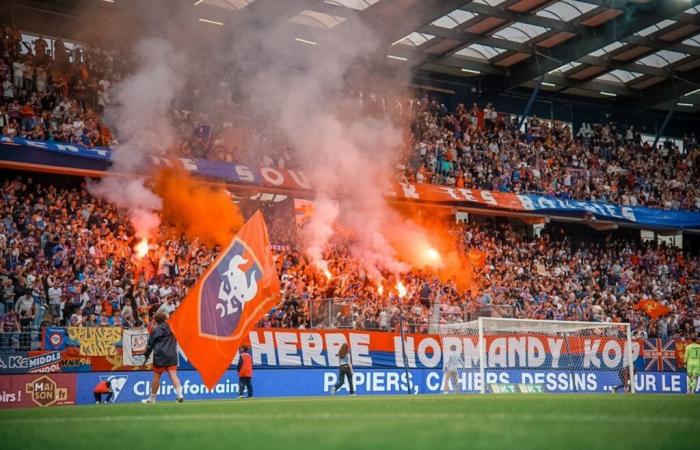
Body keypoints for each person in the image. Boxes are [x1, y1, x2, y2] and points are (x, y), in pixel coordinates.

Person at [141, 312, 184, 404]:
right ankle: (179, 394)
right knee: (173, 375)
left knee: (156, 377)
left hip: (160, 355)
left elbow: (150, 345)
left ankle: (152, 398)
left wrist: (146, 356)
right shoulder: (172, 328)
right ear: (165, 319)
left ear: (156, 320)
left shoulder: (156, 330)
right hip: (172, 354)